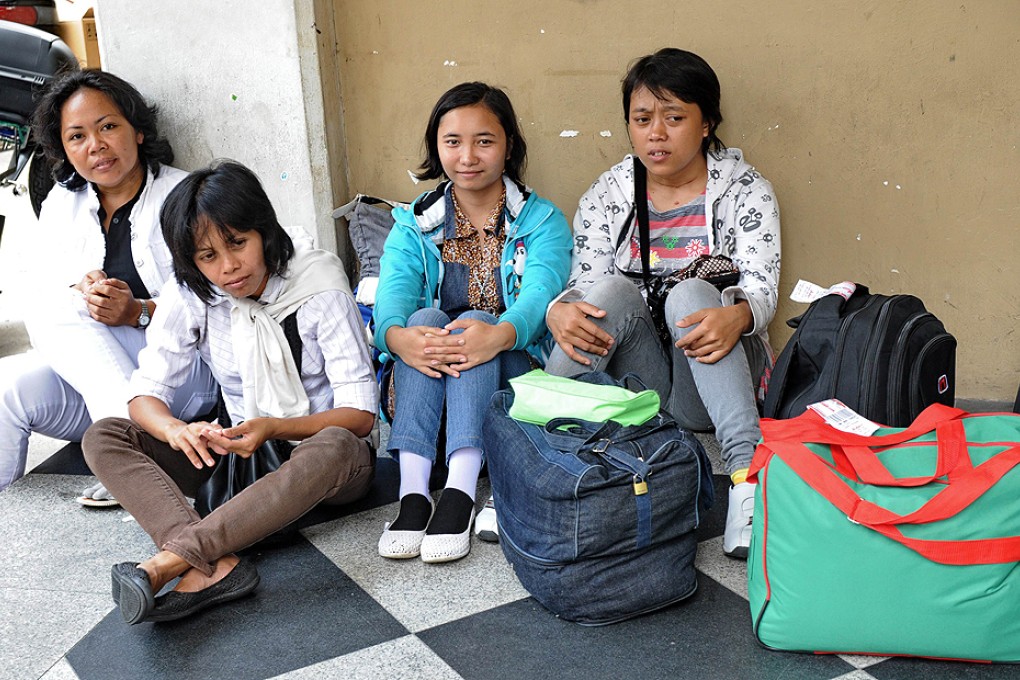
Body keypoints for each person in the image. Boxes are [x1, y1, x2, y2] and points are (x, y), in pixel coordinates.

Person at [82, 160, 378, 624]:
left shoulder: (318, 286)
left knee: (337, 444)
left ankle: (171, 560)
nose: (229, 266)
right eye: (208, 256)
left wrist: (275, 428)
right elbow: (143, 396)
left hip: (322, 463)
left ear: (263, 230)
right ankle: (213, 565)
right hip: (240, 460)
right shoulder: (191, 294)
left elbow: (360, 415)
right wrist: (178, 431)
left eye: (238, 243)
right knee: (105, 435)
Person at [544, 49, 781, 559]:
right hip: (644, 382)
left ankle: (746, 481)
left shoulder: (746, 192)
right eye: (642, 119)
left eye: (674, 118)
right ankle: (535, 453)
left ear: (705, 124)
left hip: (711, 376)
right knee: (600, 297)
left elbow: (762, 289)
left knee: (692, 293)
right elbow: (585, 283)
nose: (656, 133)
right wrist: (559, 308)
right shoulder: (609, 194)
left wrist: (737, 313)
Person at [373, 82, 571, 563]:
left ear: (508, 147)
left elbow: (540, 295)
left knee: (476, 321)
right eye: (452, 141)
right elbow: (392, 296)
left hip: (512, 378)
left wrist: (498, 334)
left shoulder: (542, 221)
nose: (467, 156)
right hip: (428, 388)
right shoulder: (414, 223)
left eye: (484, 140)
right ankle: (414, 494)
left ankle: (459, 492)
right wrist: (400, 339)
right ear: (436, 147)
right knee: (422, 318)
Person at [0, 70, 216, 497]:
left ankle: (126, 454)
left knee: (66, 310)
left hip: (182, 378)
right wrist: (81, 291)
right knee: (9, 391)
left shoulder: (183, 196)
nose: (95, 145)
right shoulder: (65, 202)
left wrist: (138, 312)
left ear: (137, 131)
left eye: (108, 127)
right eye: (76, 136)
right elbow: (45, 293)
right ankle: (129, 444)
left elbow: (217, 299)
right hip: (102, 384)